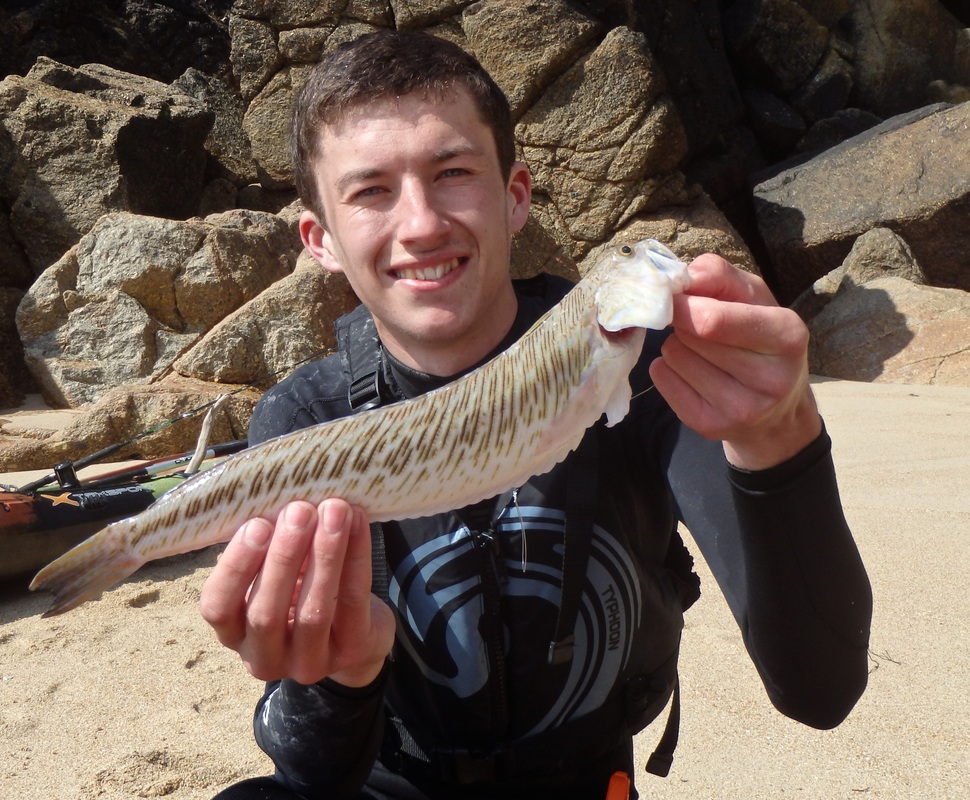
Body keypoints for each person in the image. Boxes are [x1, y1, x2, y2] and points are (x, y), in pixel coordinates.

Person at [200, 29, 872, 800]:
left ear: (515, 196)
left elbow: (821, 691)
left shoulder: (657, 373)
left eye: (453, 172)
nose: (421, 224)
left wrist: (779, 442)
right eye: (371, 191)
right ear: (320, 240)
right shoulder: (303, 419)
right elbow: (313, 772)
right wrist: (343, 677)